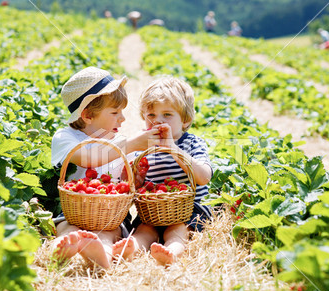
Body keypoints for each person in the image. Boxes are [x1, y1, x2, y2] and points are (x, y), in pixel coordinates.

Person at [51, 67, 160, 268]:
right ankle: (63, 245)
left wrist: (134, 177)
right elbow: (89, 158)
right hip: (73, 212)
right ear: (87, 115)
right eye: (114, 112)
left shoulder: (117, 141)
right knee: (67, 227)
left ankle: (102, 254)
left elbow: (121, 185)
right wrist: (130, 145)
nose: (122, 118)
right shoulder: (64, 138)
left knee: (110, 233)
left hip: (110, 217)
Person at [112, 77, 213, 266]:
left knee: (177, 230)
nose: (157, 120)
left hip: (188, 211)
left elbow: (204, 177)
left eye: (167, 114)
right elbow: (137, 189)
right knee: (144, 230)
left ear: (185, 120)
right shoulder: (144, 147)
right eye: (151, 115)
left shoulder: (192, 144)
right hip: (154, 212)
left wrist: (173, 149)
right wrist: (136, 180)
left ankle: (173, 251)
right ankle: (132, 248)